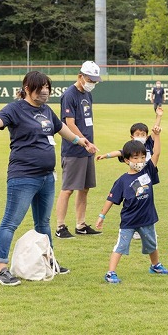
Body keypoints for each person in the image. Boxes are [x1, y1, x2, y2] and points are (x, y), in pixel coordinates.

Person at [0, 71, 98, 286]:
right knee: (10, 222)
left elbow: (61, 129)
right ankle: (0, 269)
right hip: (23, 177)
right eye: (41, 88)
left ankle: (48, 260)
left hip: (46, 177)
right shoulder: (15, 109)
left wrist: (81, 141)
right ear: (27, 88)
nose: (45, 92)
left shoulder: (47, 110)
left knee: (43, 223)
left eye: (48, 88)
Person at [94, 126, 168, 284]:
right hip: (129, 221)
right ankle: (110, 272)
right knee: (120, 246)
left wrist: (157, 136)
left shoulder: (148, 170)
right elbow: (111, 199)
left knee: (152, 244)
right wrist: (102, 216)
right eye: (135, 158)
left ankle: (155, 265)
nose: (140, 161)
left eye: (142, 157)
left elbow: (157, 153)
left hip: (147, 218)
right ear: (127, 160)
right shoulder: (122, 181)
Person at [55, 61, 102, 239]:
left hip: (88, 147)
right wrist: (83, 142)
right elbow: (69, 123)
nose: (92, 83)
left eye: (95, 81)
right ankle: (60, 227)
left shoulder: (87, 95)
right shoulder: (69, 95)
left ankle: (80, 224)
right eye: (90, 80)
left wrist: (89, 144)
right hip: (74, 149)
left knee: (84, 188)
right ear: (80, 76)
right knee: (68, 188)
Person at [96, 106, 163, 165]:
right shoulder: (131, 147)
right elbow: (119, 152)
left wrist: (159, 116)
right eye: (137, 134)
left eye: (143, 135)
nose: (140, 137)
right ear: (132, 137)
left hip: (150, 172)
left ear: (146, 137)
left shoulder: (149, 144)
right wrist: (105, 155)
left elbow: (155, 130)